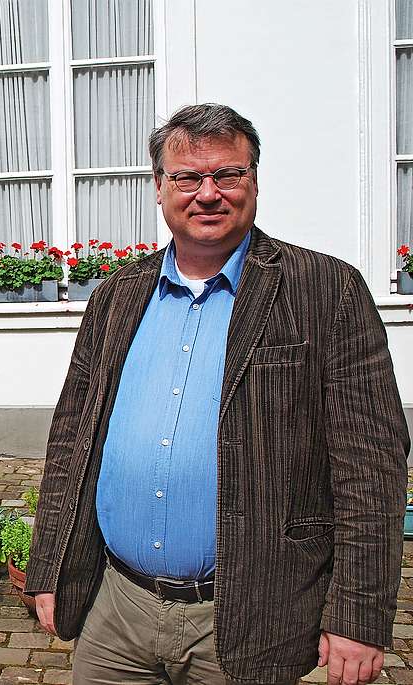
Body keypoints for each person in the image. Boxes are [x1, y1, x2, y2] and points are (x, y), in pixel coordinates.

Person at [24, 103, 410, 685]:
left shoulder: (325, 290)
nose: (208, 193)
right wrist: (50, 566)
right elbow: (72, 441)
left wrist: (357, 613)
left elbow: (371, 467)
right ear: (159, 188)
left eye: (228, 174)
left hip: (253, 617)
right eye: (187, 177)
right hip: (117, 613)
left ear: (253, 180)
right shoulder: (117, 296)